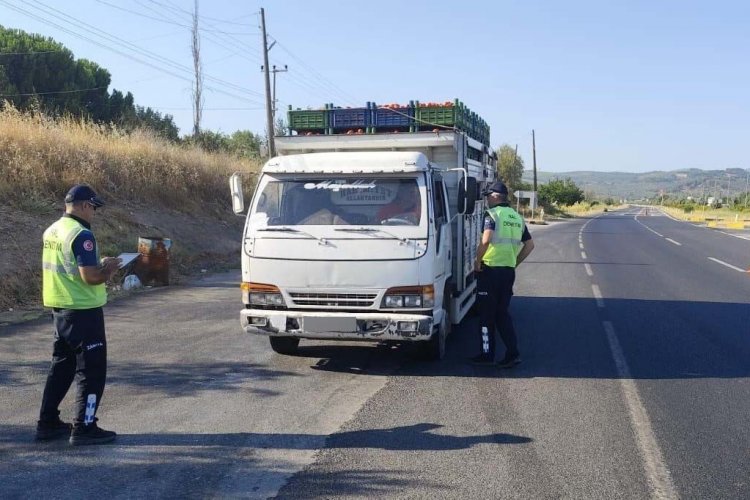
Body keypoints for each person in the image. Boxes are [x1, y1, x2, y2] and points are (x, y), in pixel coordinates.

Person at [36, 184, 121, 445]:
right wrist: (109, 270)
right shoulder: (81, 234)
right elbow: (90, 276)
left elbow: (69, 267)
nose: (93, 213)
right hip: (83, 311)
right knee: (91, 370)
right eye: (93, 208)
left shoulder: (53, 229)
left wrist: (98, 265)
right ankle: (84, 427)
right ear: (85, 205)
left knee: (62, 366)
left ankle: (47, 422)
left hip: (60, 309)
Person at [471, 181, 534, 368]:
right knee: (502, 314)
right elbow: (530, 245)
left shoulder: (492, 215)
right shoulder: (517, 217)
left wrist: (477, 261)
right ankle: (512, 353)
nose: (487, 200)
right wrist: (514, 262)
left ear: (495, 196)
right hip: (507, 271)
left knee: (486, 315)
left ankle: (486, 355)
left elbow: (486, 239)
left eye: (488, 196)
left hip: (489, 270)